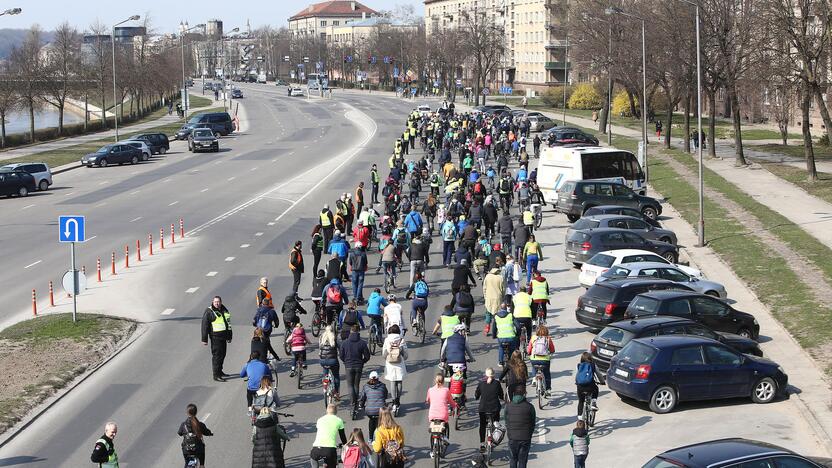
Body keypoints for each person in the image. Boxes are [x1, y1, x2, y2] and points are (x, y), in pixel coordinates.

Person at [340, 324, 372, 413]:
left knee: (350, 385)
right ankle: (356, 402)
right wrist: (362, 361)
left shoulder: (345, 343)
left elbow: (341, 355)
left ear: (350, 331)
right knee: (356, 385)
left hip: (348, 366)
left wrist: (345, 361)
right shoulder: (362, 343)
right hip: (358, 366)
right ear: (358, 332)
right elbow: (367, 356)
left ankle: (352, 403)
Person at [201, 296, 232, 382]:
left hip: (223, 337)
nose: (217, 303)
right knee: (217, 356)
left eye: (218, 302)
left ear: (221, 302)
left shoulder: (224, 310)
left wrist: (229, 337)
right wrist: (204, 339)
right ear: (213, 302)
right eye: (215, 302)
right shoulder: (209, 311)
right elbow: (204, 326)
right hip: (215, 338)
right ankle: (216, 375)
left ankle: (220, 371)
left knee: (223, 355)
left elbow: (228, 324)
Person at [425, 373, 456, 457]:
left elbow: (427, 400)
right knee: (445, 424)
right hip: (443, 414)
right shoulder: (446, 390)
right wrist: (455, 406)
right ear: (443, 381)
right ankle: (444, 438)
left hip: (432, 415)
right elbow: (451, 402)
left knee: (433, 432)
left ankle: (432, 451)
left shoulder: (430, 390)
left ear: (435, 381)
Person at [504, 387, 535, 468]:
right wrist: (529, 434)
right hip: (525, 438)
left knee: (513, 459)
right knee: (522, 460)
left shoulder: (508, 406)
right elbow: (533, 423)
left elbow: (506, 421)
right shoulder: (530, 407)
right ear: (524, 394)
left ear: (513, 395)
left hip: (512, 438)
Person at [475, 368, 504, 451]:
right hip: (494, 408)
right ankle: (494, 438)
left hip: (483, 409)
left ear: (485, 375)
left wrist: (476, 396)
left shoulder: (481, 384)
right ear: (493, 375)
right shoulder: (497, 383)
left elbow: (477, 395)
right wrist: (502, 398)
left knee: (482, 425)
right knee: (496, 423)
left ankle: (482, 443)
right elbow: (501, 395)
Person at [382, 324, 407, 413]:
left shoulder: (387, 340)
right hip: (399, 363)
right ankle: (398, 400)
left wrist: (388, 356)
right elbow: (406, 354)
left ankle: (393, 401)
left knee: (392, 382)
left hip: (390, 364)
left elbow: (384, 354)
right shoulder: (401, 340)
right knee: (399, 382)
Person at [178, 403, 213, 468]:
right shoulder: (200, 424)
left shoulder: (183, 424)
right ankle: (202, 465)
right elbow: (206, 432)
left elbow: (179, 433)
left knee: (187, 463)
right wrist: (210, 433)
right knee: (201, 464)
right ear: (196, 412)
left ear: (187, 413)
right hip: (198, 449)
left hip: (186, 450)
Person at [360, 371, 389, 442]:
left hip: (370, 411)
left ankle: (370, 438)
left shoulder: (365, 387)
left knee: (371, 421)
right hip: (381, 410)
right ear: (378, 378)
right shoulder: (383, 386)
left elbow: (362, 398)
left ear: (369, 378)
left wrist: (362, 405)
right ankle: (382, 438)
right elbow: (385, 396)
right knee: (381, 423)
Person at [527, 325, 555, 395]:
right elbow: (552, 349)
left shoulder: (533, 337)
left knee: (534, 366)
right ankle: (548, 389)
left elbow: (529, 349)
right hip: (545, 360)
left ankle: (534, 378)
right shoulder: (548, 338)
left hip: (534, 359)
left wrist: (529, 353)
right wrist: (551, 352)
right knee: (547, 373)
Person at [318, 324, 341, 400]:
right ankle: (337, 393)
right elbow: (340, 348)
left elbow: (320, 348)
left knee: (325, 374)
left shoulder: (322, 337)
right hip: (333, 361)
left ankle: (325, 383)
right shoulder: (334, 338)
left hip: (323, 361)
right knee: (336, 376)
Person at [576, 352, 599, 420]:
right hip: (590, 386)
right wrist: (602, 382)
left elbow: (578, 375)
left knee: (581, 401)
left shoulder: (579, 365)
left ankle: (580, 419)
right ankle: (593, 403)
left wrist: (577, 382)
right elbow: (599, 375)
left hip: (580, 387)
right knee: (596, 389)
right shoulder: (593, 365)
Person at [482, 267, 505, 334]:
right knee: (497, 313)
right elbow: (503, 289)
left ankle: (487, 327)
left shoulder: (488, 277)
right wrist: (503, 297)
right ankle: (497, 327)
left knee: (488, 313)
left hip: (489, 297)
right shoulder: (500, 277)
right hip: (498, 297)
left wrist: (485, 296)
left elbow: (484, 288)